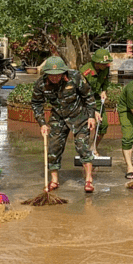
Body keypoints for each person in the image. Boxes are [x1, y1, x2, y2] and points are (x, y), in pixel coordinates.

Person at [31, 56, 97, 193]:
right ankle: (54, 180)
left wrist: (91, 116)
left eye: (58, 75)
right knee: (53, 148)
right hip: (58, 117)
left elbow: (88, 96)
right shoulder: (41, 84)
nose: (54, 78)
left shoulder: (75, 77)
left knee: (82, 147)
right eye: (51, 75)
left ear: (63, 73)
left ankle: (89, 180)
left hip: (79, 115)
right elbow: (36, 103)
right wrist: (42, 123)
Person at [80, 49, 112, 157]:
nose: (107, 65)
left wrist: (103, 90)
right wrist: (93, 112)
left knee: (103, 125)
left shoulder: (106, 69)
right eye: (104, 63)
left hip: (98, 99)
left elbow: (106, 81)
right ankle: (84, 152)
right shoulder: (85, 72)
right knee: (87, 126)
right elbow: (82, 92)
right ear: (97, 63)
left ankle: (94, 146)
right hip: (85, 101)